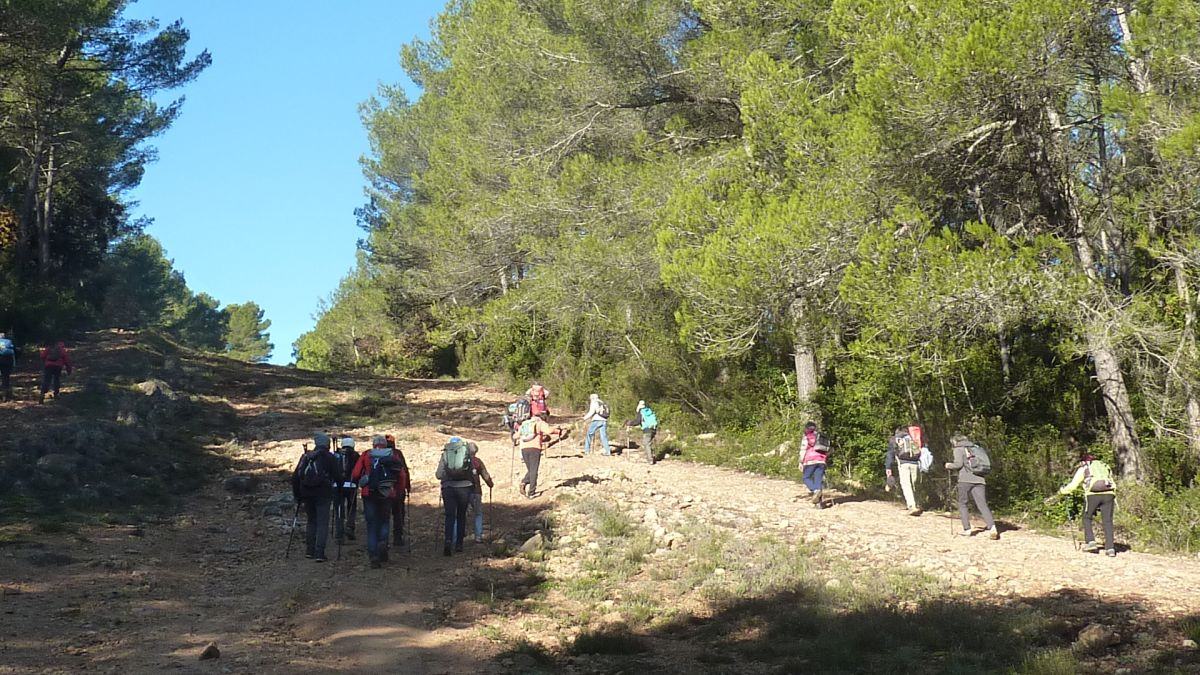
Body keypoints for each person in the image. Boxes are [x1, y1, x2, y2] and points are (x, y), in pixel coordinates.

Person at [1047, 454, 1118, 556]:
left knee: (1086, 517)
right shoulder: (1104, 466)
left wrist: (1063, 491)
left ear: (1084, 461)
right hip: (1109, 494)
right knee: (1107, 521)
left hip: (1092, 494)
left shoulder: (1084, 468)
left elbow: (1073, 484)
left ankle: (1090, 542)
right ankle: (1110, 548)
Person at [351, 435, 404, 567]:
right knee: (385, 520)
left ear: (373, 444)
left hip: (369, 493)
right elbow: (401, 475)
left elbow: (356, 474)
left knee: (371, 524)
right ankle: (383, 544)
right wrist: (398, 491)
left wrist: (362, 480)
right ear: (385, 445)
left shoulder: (366, 455)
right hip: (387, 493)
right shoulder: (393, 455)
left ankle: (373, 554)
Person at [291, 433, 342, 562]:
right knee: (322, 523)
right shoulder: (329, 457)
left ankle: (310, 550)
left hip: (307, 494)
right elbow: (337, 475)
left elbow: (296, 477)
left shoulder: (306, 457)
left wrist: (298, 495)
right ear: (327, 445)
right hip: (324, 494)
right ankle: (319, 553)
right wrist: (339, 489)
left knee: (311, 521)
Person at [945, 434, 999, 539]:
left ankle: (967, 529)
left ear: (955, 441)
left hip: (965, 479)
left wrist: (948, 465)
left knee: (963, 504)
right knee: (982, 504)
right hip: (980, 479)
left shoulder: (958, 449)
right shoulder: (975, 448)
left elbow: (958, 464)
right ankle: (992, 528)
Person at [436, 437, 475, 556]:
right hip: (464, 488)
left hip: (449, 488)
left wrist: (446, 476)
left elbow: (438, 474)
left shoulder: (445, 454)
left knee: (449, 516)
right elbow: (472, 471)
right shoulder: (465, 452)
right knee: (461, 516)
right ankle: (459, 544)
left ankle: (448, 541)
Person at [515, 413, 565, 499]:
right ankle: (531, 492)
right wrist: (558, 431)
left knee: (530, 469)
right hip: (535, 448)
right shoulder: (540, 423)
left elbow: (516, 436)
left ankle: (524, 482)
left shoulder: (525, 423)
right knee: (534, 470)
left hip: (524, 449)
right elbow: (549, 431)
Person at [885, 425, 924, 516]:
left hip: (903, 463)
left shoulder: (895, 439)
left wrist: (888, 467)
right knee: (915, 483)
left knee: (906, 484)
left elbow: (890, 454)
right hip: (915, 463)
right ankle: (918, 503)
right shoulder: (913, 437)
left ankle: (912, 505)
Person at [384, 434, 412, 547]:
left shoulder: (378, 454)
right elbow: (405, 470)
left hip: (384, 490)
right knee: (398, 513)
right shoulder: (398, 454)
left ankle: (383, 539)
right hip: (398, 489)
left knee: (384, 514)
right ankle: (398, 538)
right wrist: (407, 486)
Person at [466, 442, 495, 543]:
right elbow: (485, 475)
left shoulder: (462, 462)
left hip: (463, 491)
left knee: (461, 514)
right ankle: (478, 536)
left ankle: (458, 536)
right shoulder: (478, 462)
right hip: (476, 491)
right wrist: (490, 484)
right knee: (478, 513)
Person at [333, 437, 360, 541]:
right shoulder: (356, 455)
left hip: (337, 486)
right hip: (351, 486)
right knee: (351, 507)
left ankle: (339, 533)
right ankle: (350, 527)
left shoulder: (336, 455)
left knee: (339, 509)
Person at [800, 422, 831, 509]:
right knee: (818, 481)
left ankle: (815, 491)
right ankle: (819, 504)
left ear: (806, 428)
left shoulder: (807, 436)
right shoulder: (820, 437)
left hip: (810, 460)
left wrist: (800, 462)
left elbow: (803, 449)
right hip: (821, 461)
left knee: (806, 478)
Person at [38, 340, 72, 404]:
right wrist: (69, 370)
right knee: (56, 379)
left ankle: (42, 394)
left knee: (46, 380)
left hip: (48, 366)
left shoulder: (49, 348)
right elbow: (67, 361)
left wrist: (45, 362)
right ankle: (56, 394)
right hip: (58, 367)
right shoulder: (62, 350)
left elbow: (42, 356)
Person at [0, 332, 15, 401]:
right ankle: (5, 395)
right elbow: (12, 353)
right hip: (7, 362)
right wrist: (13, 364)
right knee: (5, 377)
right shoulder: (9, 342)